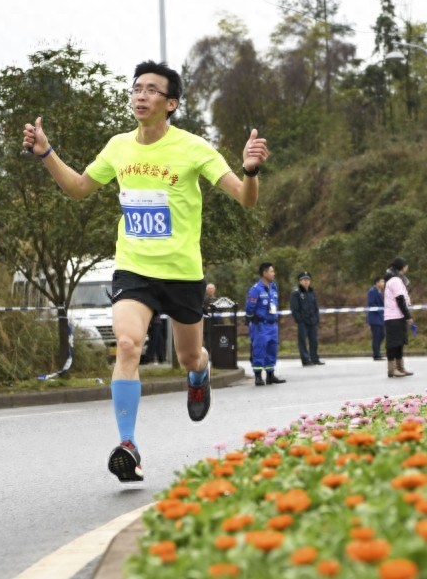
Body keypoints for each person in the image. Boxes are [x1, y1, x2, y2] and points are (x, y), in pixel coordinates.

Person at [21, 60, 269, 483]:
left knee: (190, 354)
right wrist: (46, 153)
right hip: (134, 269)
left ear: (171, 103)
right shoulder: (118, 146)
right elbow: (79, 188)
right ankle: (128, 445)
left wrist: (250, 172)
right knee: (128, 343)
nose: (141, 95)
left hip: (182, 273)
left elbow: (245, 200)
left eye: (152, 90)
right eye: (137, 88)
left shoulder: (193, 147)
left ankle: (199, 373)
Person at [246, 262, 287, 387]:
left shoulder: (273, 287)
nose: (273, 274)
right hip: (260, 325)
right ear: (264, 273)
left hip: (272, 324)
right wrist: (253, 318)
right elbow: (249, 308)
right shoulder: (256, 289)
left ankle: (270, 375)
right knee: (259, 349)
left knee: (272, 348)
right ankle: (258, 376)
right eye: (271, 271)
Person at [383, 257, 414, 378]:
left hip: (398, 316)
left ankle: (400, 367)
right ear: (403, 267)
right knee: (393, 344)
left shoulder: (396, 279)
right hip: (393, 316)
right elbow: (400, 299)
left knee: (400, 343)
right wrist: (408, 316)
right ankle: (392, 369)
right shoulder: (395, 280)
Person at [290, 271, 323, 366]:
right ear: (300, 281)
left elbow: (315, 307)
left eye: (308, 279)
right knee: (303, 341)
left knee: (314, 340)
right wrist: (299, 320)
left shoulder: (311, 292)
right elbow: (294, 309)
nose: (306, 281)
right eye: (304, 280)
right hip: (303, 322)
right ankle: (305, 360)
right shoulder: (296, 293)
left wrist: (317, 319)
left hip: (313, 320)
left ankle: (315, 358)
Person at [367, 276, 386, 360]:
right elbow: (371, 303)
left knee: (382, 334)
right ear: (377, 283)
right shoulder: (372, 291)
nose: (383, 283)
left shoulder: (379, 291)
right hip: (375, 318)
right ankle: (376, 355)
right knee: (377, 336)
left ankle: (377, 352)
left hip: (380, 318)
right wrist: (381, 311)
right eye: (382, 282)